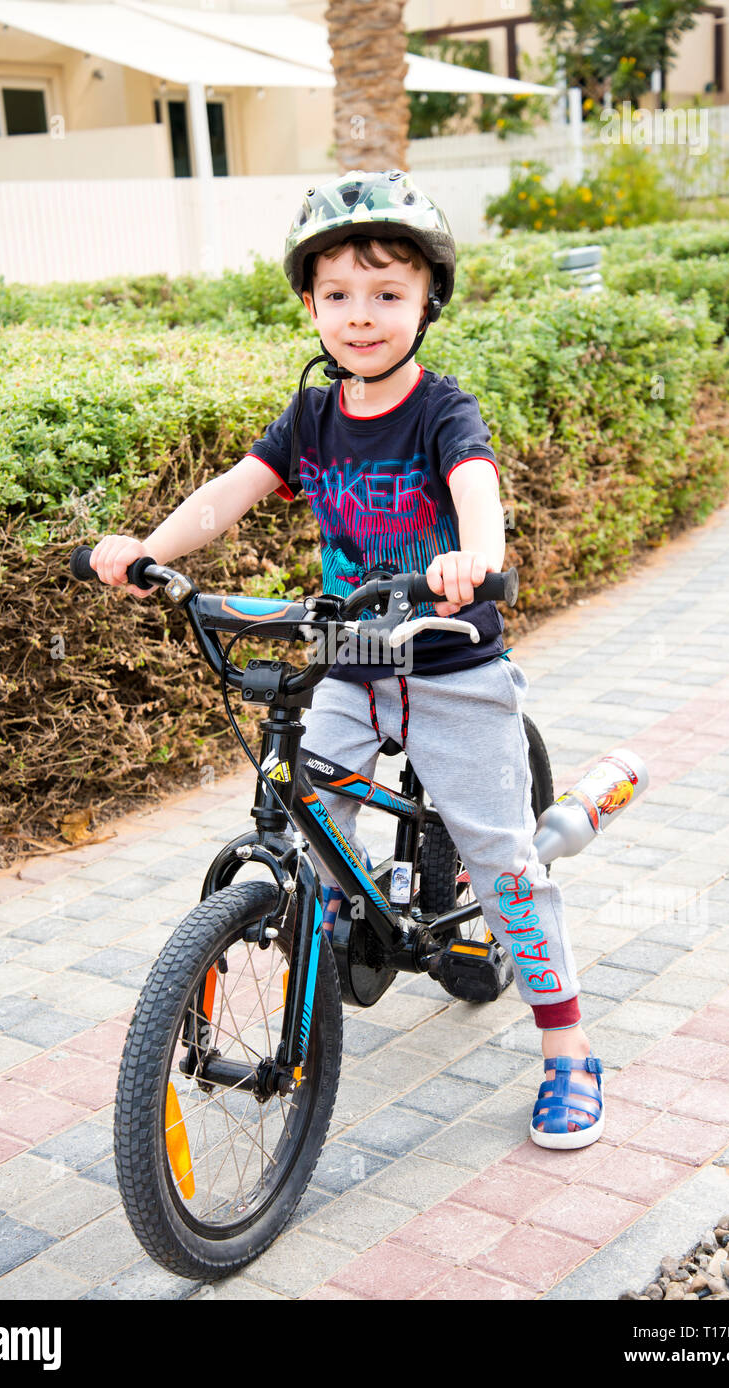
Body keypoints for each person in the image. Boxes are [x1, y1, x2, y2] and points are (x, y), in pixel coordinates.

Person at [89, 170, 603, 1150]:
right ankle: (354, 903)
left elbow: (476, 490)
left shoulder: (441, 410)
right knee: (306, 812)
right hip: (350, 659)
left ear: (425, 302)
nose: (359, 317)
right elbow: (228, 493)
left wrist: (474, 556)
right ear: (308, 303)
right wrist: (150, 549)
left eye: (385, 293)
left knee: (503, 869)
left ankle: (569, 1050)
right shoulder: (313, 416)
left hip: (449, 664)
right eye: (336, 295)